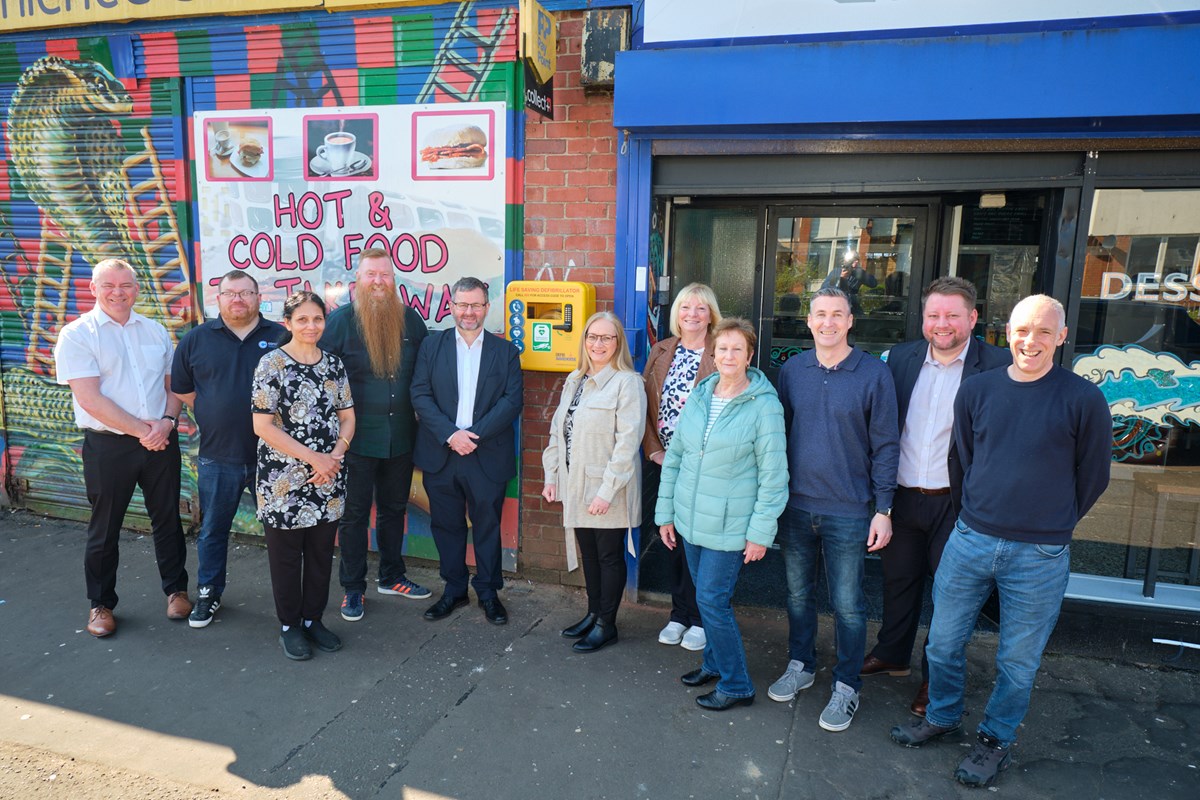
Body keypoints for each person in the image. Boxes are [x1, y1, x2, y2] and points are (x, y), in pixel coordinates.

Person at [890, 295, 1111, 788]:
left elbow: (1093, 476)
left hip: (1040, 552)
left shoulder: (1082, 399)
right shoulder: (977, 390)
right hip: (969, 539)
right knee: (943, 644)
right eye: (1022, 330)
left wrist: (1051, 521)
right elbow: (962, 459)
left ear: (1062, 336)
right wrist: (980, 510)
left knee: (1017, 659)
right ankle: (943, 716)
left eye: (1043, 332)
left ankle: (994, 739)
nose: (1030, 341)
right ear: (1005, 332)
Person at [861, 277, 1010, 714]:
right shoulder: (899, 360)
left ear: (972, 318)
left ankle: (936, 678)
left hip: (957, 502)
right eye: (933, 315)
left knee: (952, 597)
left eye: (951, 316)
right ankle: (892, 654)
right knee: (898, 581)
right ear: (922, 318)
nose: (941, 324)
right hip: (903, 497)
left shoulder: (998, 365)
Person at [769, 287, 899, 733]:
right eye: (820, 314)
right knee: (798, 596)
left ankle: (846, 685)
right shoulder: (792, 371)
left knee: (847, 604)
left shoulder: (874, 374)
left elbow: (886, 444)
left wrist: (884, 508)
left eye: (837, 315)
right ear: (809, 321)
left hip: (850, 509)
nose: (828, 322)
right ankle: (801, 664)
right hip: (796, 506)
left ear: (850, 322)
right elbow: (777, 438)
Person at [53, 258, 191, 637]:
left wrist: (165, 422)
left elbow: (172, 385)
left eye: (126, 285)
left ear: (137, 288)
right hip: (109, 445)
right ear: (93, 289)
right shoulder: (78, 335)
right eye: (109, 285)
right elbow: (90, 399)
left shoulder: (155, 331)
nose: (118, 292)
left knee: (167, 519)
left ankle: (177, 590)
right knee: (105, 527)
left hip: (161, 439)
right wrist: (142, 431)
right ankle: (100, 605)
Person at [656, 317, 788, 711]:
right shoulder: (700, 395)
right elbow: (676, 457)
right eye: (722, 349)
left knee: (712, 602)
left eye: (737, 349)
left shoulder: (764, 406)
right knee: (704, 597)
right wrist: (665, 513)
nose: (728, 356)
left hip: (731, 526)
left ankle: (736, 684)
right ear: (712, 355)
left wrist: (761, 532)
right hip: (691, 520)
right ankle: (714, 663)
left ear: (749, 355)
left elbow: (774, 476)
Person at [320, 248, 430, 622]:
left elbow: (424, 377)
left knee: (393, 509)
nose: (379, 282)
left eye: (385, 275)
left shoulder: (411, 322)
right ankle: (353, 588)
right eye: (371, 275)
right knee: (353, 516)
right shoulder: (339, 323)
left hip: (400, 437)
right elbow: (321, 381)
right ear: (359, 281)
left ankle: (392, 576)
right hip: (354, 440)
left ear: (393, 281)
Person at [172, 270, 284, 629]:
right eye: (230, 293)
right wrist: (214, 412)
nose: (238, 299)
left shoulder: (281, 337)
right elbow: (184, 391)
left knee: (282, 531)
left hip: (273, 457)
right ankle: (208, 592)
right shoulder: (195, 340)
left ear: (258, 298)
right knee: (213, 530)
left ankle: (291, 598)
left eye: (246, 293)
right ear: (217, 299)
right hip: (218, 456)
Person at [411, 277, 523, 625]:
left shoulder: (505, 352)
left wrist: (471, 435)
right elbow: (420, 394)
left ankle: (488, 593)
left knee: (487, 525)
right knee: (446, 526)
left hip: (485, 453)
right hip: (441, 453)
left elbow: (511, 401)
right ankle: (454, 590)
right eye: (462, 304)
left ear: (487, 308)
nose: (469, 312)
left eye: (476, 305)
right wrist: (451, 435)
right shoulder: (432, 346)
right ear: (452, 306)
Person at [251, 291, 355, 661]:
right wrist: (315, 458)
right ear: (288, 323)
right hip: (284, 480)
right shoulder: (271, 364)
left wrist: (336, 454)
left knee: (320, 554)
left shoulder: (333, 365)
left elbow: (348, 415)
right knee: (286, 557)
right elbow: (262, 425)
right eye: (303, 320)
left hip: (327, 477)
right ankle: (289, 626)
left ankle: (313, 620)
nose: (311, 326)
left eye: (317, 319)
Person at [542, 312, 646, 653]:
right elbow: (558, 432)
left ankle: (607, 623)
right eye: (592, 337)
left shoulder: (627, 383)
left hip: (609, 489)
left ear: (618, 343)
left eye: (606, 338)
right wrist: (552, 476)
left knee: (608, 557)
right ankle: (593, 612)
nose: (598, 344)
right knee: (589, 555)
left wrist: (606, 492)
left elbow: (628, 445)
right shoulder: (575, 379)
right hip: (576, 485)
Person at [641, 283, 720, 652]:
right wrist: (655, 451)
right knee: (672, 539)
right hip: (666, 464)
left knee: (699, 541)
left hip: (705, 467)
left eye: (701, 308)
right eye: (686, 307)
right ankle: (678, 613)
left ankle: (701, 617)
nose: (692, 314)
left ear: (711, 315)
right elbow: (644, 407)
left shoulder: (722, 351)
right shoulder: (661, 350)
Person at [821, 250, 878, 316]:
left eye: (856, 260)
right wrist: (841, 278)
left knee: (862, 320)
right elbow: (824, 289)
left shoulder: (858, 273)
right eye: (851, 260)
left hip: (852, 308)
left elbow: (873, 283)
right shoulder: (836, 271)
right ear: (844, 260)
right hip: (835, 306)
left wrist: (857, 272)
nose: (852, 262)